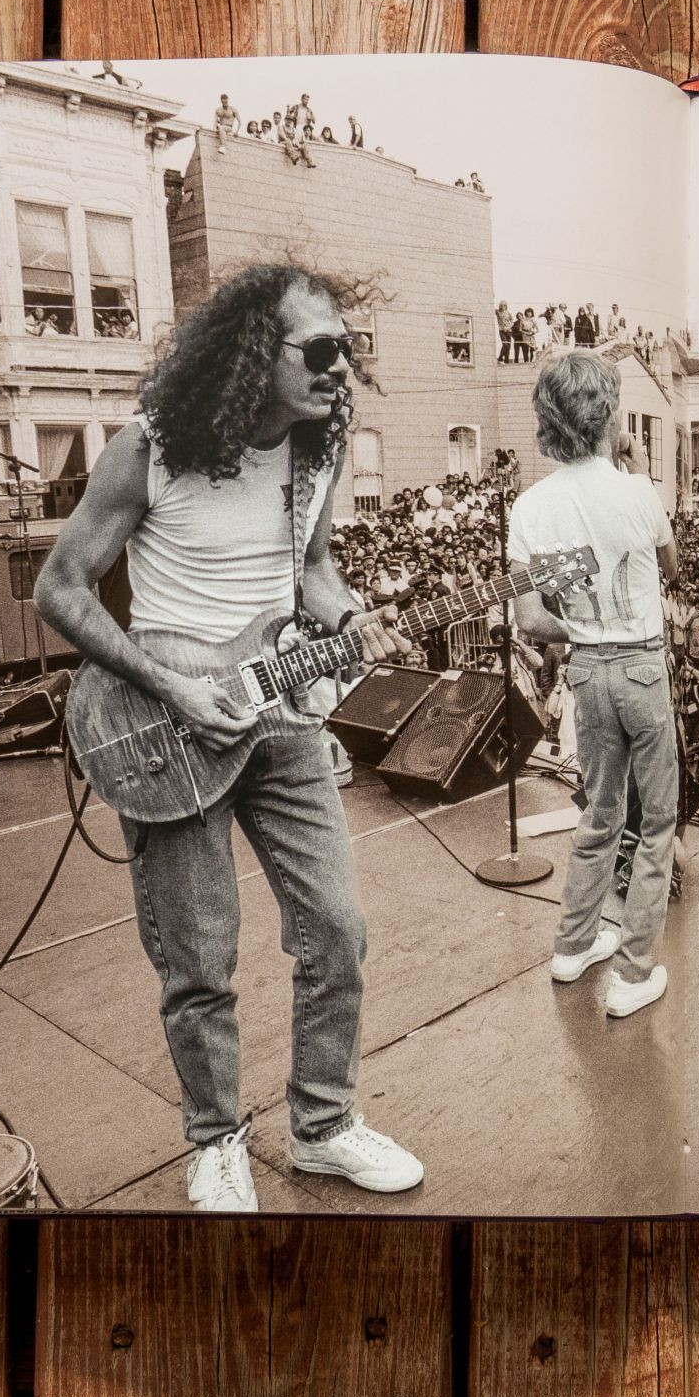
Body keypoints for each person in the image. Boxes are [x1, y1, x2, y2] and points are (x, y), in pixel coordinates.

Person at [33, 262, 423, 1213]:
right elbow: (60, 586)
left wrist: (351, 613)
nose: (342, 368)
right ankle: (214, 1143)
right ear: (257, 352)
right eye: (322, 349)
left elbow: (315, 569)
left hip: (280, 715)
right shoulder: (154, 447)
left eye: (349, 350)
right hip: (169, 722)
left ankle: (324, 1126)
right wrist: (172, 683)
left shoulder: (315, 452)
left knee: (337, 927)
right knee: (200, 959)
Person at [508, 351, 681, 1019]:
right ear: (608, 414)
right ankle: (636, 971)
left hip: (584, 668)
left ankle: (573, 944)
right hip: (640, 663)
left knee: (599, 811)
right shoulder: (636, 491)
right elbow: (672, 562)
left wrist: (581, 632)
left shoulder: (531, 505)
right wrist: (633, 469)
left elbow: (528, 616)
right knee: (657, 818)